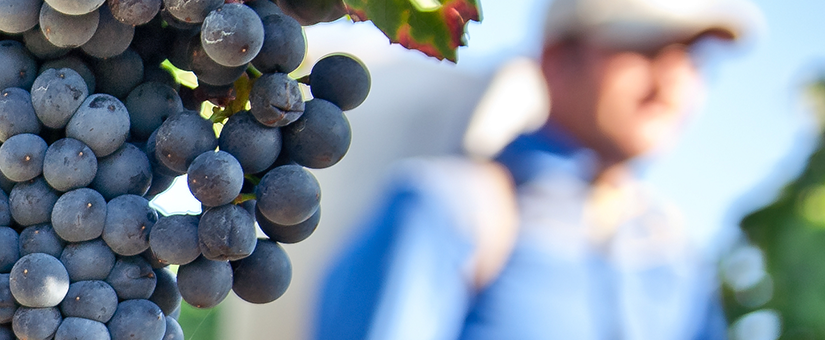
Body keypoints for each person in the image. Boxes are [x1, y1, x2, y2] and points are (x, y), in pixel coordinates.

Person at [314, 0, 762, 339]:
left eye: (692, 60)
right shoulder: (446, 209)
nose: (672, 85)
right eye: (644, 50)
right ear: (556, 60)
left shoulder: (678, 261)